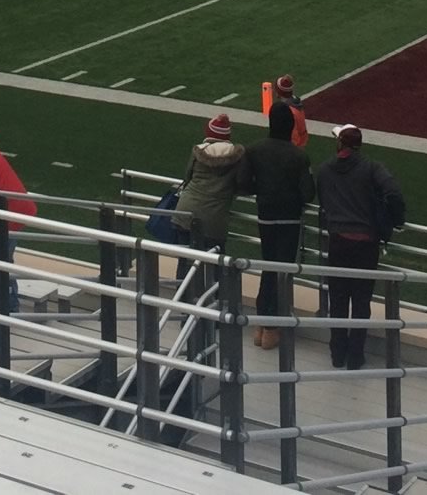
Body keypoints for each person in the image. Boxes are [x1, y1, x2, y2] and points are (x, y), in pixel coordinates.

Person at [316, 125, 406, 369]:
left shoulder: (324, 170)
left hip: (337, 242)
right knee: (361, 300)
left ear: (339, 144)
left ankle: (337, 353)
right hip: (366, 244)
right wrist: (394, 220)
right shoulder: (372, 168)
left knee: (338, 299)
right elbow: (394, 193)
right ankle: (356, 355)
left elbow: (323, 201)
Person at [241, 100, 314, 349]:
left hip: (266, 216)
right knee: (281, 272)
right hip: (289, 219)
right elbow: (308, 194)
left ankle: (263, 324)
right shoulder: (298, 155)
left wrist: (262, 190)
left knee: (268, 269)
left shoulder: (254, 150)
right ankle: (272, 326)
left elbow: (243, 183)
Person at [173, 114, 246, 252]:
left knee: (185, 262)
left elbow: (187, 177)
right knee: (213, 266)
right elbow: (242, 184)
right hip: (215, 219)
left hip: (186, 212)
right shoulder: (237, 156)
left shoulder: (198, 151)